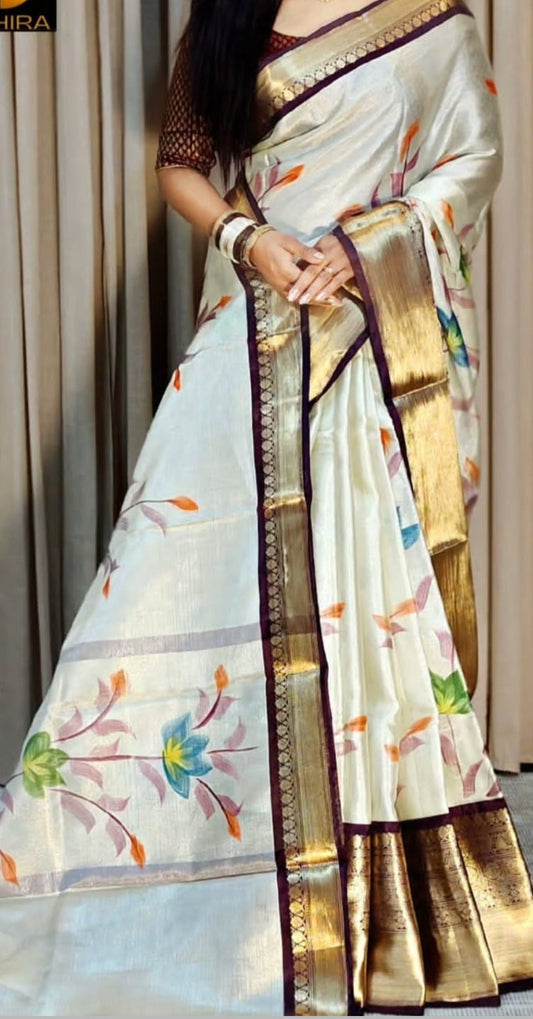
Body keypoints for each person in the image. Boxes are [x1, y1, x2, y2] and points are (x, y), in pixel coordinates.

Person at [0, 0, 532, 1014]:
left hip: (366, 340)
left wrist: (365, 246)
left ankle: (372, 898)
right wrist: (247, 239)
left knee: (364, 595)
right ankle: (162, 872)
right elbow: (182, 163)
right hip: (250, 325)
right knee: (170, 569)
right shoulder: (230, 17)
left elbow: (472, 159)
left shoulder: (430, 21)